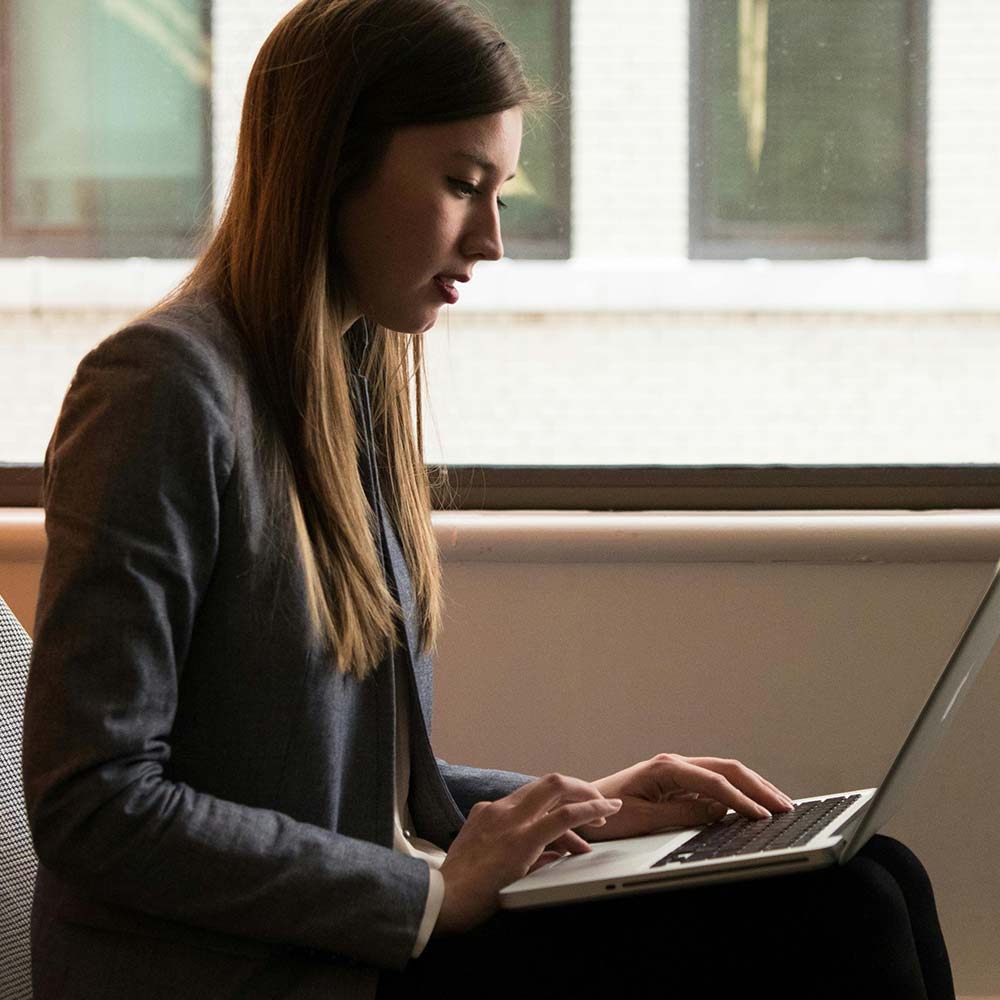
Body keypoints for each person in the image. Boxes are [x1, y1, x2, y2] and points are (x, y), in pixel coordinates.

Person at [21, 1, 955, 997]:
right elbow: (95, 802)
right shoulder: (159, 390)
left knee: (873, 870)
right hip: (252, 969)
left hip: (357, 936)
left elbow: (359, 798)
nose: (493, 241)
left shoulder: (350, 380)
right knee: (841, 915)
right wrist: (430, 895)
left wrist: (582, 811)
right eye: (463, 185)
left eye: (500, 191)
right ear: (330, 164)